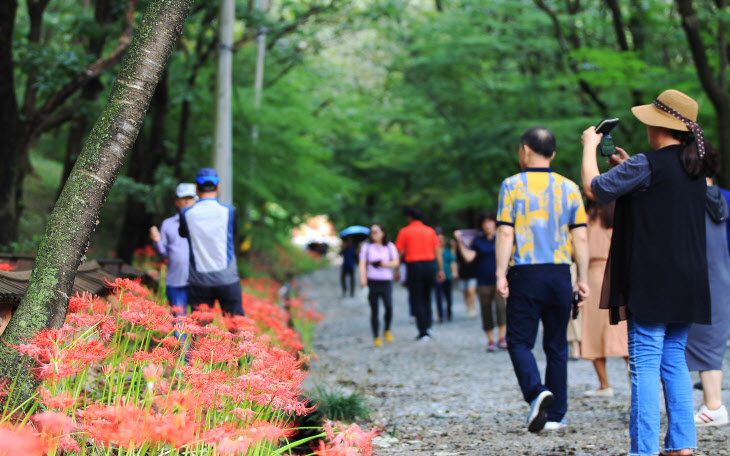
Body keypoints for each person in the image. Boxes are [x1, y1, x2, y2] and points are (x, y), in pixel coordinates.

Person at [581, 89, 712, 456]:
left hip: (653, 284)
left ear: (660, 125)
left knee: (644, 368)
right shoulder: (694, 168)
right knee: (674, 362)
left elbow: (595, 190)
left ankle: (643, 450)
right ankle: (682, 444)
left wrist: (590, 146)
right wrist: (626, 167)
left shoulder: (648, 163)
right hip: (688, 281)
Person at [495, 127, 589, 433]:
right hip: (561, 272)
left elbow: (505, 231)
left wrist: (499, 273)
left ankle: (537, 393)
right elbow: (581, 236)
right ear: (553, 155)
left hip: (526, 272)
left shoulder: (511, 186)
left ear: (524, 150)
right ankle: (557, 415)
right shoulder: (570, 187)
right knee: (557, 345)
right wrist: (583, 277)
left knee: (519, 341)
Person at [685, 177, 730, 427]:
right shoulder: (723, 196)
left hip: (703, 273)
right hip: (721, 272)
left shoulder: (687, 197)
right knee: (710, 340)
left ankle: (714, 406)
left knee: (704, 340)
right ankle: (712, 404)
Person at [179, 168, 244, 316]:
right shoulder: (230, 211)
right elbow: (234, 235)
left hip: (199, 280)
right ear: (218, 187)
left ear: (196, 187)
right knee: (236, 326)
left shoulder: (186, 213)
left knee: (199, 330)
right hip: (227, 278)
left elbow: (183, 233)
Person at [580, 200, 628, 397]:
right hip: (618, 275)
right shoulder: (618, 216)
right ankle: (635, 379)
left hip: (593, 274)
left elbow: (577, 248)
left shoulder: (587, 219)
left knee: (592, 331)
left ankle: (604, 384)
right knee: (622, 330)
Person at [455, 210, 506, 352]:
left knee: (501, 308)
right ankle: (490, 340)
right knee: (485, 309)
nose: (487, 225)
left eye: (489, 222)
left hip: (499, 279)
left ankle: (502, 338)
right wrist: (459, 242)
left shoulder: (501, 238)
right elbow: (468, 257)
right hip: (483, 280)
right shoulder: (478, 241)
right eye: (484, 222)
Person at [395, 207, 444, 341]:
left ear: (409, 217)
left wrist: (397, 269)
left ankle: (422, 331)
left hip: (414, 267)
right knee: (427, 297)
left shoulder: (405, 231)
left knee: (417, 298)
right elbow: (437, 250)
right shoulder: (430, 231)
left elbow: (400, 252)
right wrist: (440, 269)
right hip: (429, 266)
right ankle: (428, 326)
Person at [149, 183, 197, 317]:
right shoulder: (168, 224)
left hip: (199, 281)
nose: (187, 201)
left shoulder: (202, 223)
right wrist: (157, 241)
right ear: (177, 201)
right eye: (184, 198)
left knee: (199, 324)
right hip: (176, 279)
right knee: (179, 323)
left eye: (190, 198)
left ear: (196, 200)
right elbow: (163, 254)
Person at [358, 223, 400, 347]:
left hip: (386, 280)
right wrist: (363, 279)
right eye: (372, 232)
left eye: (376, 232)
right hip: (372, 281)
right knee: (374, 309)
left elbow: (396, 262)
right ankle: (376, 336)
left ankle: (387, 329)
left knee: (389, 306)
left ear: (383, 233)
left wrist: (383, 264)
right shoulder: (367, 247)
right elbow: (362, 263)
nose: (374, 235)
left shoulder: (389, 246)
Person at [433, 230, 457, 323]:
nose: (440, 241)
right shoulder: (433, 251)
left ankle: (449, 313)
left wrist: (454, 272)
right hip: (437, 277)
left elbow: (453, 262)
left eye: (441, 239)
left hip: (447, 276)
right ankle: (440, 315)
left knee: (448, 296)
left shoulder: (448, 251)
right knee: (438, 296)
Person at [455, 245, 478, 319]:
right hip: (463, 274)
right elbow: (456, 259)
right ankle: (468, 307)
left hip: (472, 273)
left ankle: (472, 307)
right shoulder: (458, 247)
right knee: (465, 293)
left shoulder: (473, 245)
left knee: (471, 291)